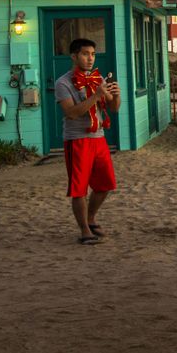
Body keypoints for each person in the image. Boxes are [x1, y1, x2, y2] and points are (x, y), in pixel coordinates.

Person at [55, 38, 121, 245]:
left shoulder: (97, 78)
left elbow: (114, 109)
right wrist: (96, 96)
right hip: (77, 139)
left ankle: (90, 218)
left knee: (106, 184)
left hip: (98, 138)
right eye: (85, 54)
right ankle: (84, 231)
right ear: (74, 56)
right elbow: (72, 113)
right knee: (79, 189)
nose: (90, 58)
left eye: (92, 54)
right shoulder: (62, 83)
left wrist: (116, 96)